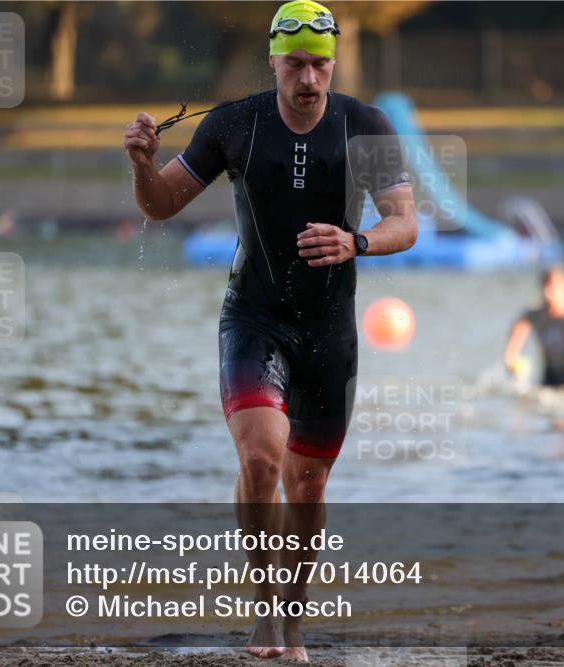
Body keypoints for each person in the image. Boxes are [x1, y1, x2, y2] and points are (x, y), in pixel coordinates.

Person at [123, 1, 417, 660]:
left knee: (308, 486)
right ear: (273, 61)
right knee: (260, 459)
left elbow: (405, 222)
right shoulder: (235, 123)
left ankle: (293, 617)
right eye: (295, 65)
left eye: (320, 65)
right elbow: (161, 204)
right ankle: (264, 610)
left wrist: (356, 241)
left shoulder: (367, 125)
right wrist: (143, 165)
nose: (308, 79)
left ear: (333, 64)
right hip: (253, 317)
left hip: (329, 331)